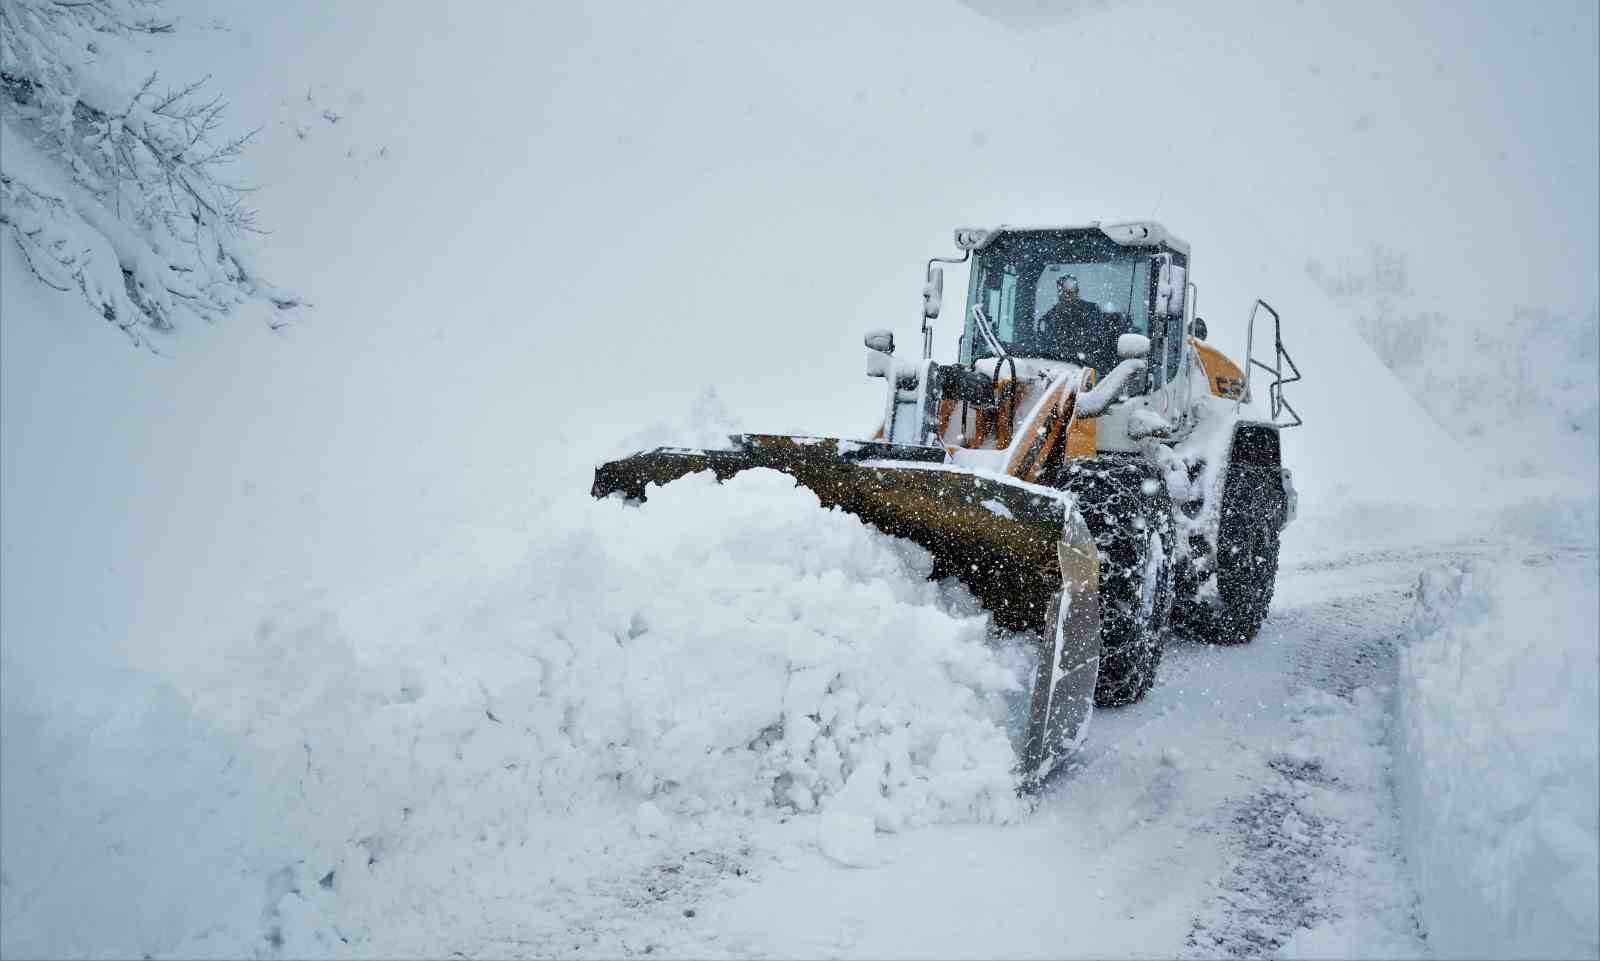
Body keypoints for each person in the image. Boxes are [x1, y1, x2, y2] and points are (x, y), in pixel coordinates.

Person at [1035, 274, 1119, 369]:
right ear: (1058, 292)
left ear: (1077, 292)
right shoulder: (1050, 317)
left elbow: (1098, 342)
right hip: (1056, 367)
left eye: (1070, 292)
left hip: (1087, 368)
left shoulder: (1092, 311)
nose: (1067, 296)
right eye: (1063, 292)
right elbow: (1046, 346)